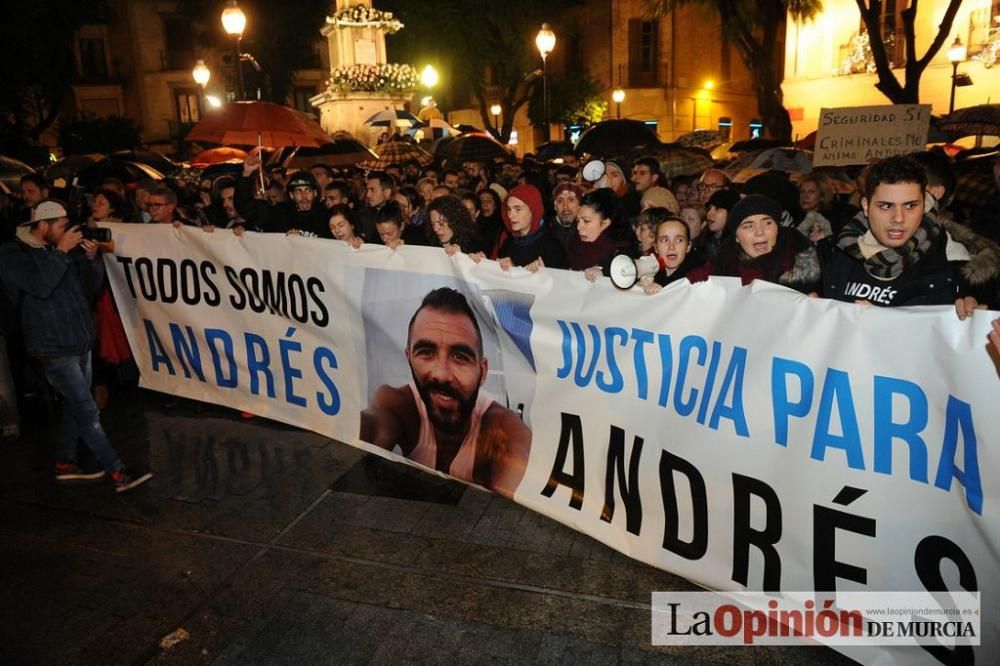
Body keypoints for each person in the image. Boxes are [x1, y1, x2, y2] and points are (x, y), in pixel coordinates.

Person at [0, 200, 152, 491]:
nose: (66, 231)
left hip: (79, 340)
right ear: (42, 225)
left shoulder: (63, 250)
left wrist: (93, 260)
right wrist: (59, 252)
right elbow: (40, 286)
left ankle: (65, 461)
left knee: (74, 406)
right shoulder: (12, 253)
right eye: (60, 226)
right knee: (86, 409)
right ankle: (118, 472)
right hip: (51, 346)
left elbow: (89, 288)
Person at [359, 287, 531, 498]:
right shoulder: (398, 404)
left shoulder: (503, 428)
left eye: (460, 356)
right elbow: (373, 427)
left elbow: (519, 478)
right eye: (426, 352)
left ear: (482, 371)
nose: (441, 375)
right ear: (409, 357)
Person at [818, 155, 998, 311]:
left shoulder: (954, 272)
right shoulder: (830, 256)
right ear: (866, 206)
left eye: (911, 206)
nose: (898, 218)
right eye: (886, 206)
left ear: (925, 205)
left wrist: (972, 319)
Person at [687, 194, 820, 294]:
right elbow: (685, 289)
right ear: (737, 238)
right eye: (748, 226)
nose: (759, 232)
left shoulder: (800, 264)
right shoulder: (721, 267)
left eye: (767, 223)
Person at [492, 184, 567, 271]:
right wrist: (483, 263)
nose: (510, 215)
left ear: (533, 210)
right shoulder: (508, 244)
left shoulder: (552, 246)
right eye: (509, 209)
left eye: (518, 209)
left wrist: (543, 273)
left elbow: (560, 280)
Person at [569, 187, 638, 280]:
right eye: (578, 220)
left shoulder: (623, 251)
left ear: (605, 223)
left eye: (586, 221)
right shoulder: (575, 243)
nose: (578, 227)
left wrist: (605, 271)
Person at [639, 213, 703, 293]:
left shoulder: (699, 279)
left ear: (688, 246)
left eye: (679, 240)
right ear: (656, 248)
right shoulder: (651, 273)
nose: (671, 246)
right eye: (664, 240)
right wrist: (640, 289)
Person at [550, 182, 584, 251]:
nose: (565, 206)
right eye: (560, 201)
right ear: (555, 207)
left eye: (571, 200)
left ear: (580, 205)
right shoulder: (546, 234)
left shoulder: (589, 232)